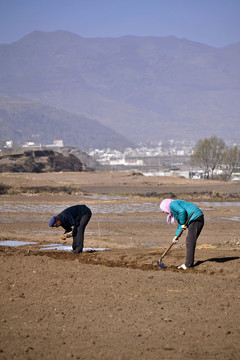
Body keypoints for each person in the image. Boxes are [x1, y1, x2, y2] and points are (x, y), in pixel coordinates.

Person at [160, 199, 204, 269]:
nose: (164, 212)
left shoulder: (173, 204)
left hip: (196, 218)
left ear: (166, 206)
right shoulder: (174, 207)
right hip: (196, 218)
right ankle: (189, 263)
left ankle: (188, 265)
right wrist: (176, 236)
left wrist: (183, 223)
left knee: (190, 241)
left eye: (164, 210)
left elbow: (182, 211)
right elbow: (181, 223)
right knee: (190, 241)